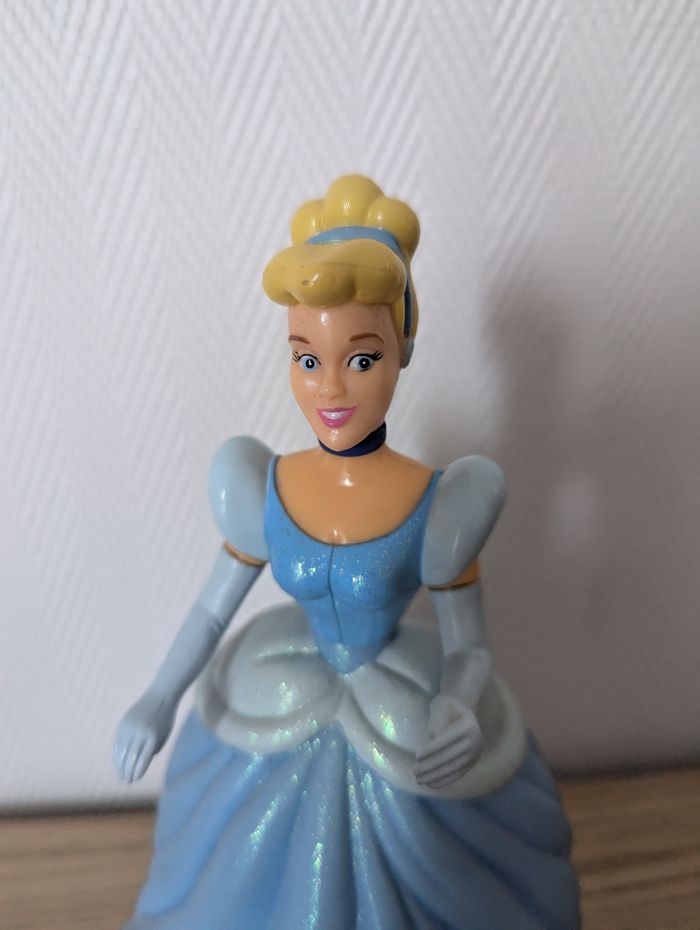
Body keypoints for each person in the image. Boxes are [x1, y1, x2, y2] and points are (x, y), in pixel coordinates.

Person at [114, 175, 580, 930]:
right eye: (307, 359)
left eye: (360, 360)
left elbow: (469, 646)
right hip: (282, 684)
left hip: (398, 707)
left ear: (403, 352)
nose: (330, 388)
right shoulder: (263, 483)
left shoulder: (441, 503)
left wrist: (461, 704)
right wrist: (157, 698)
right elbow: (210, 611)